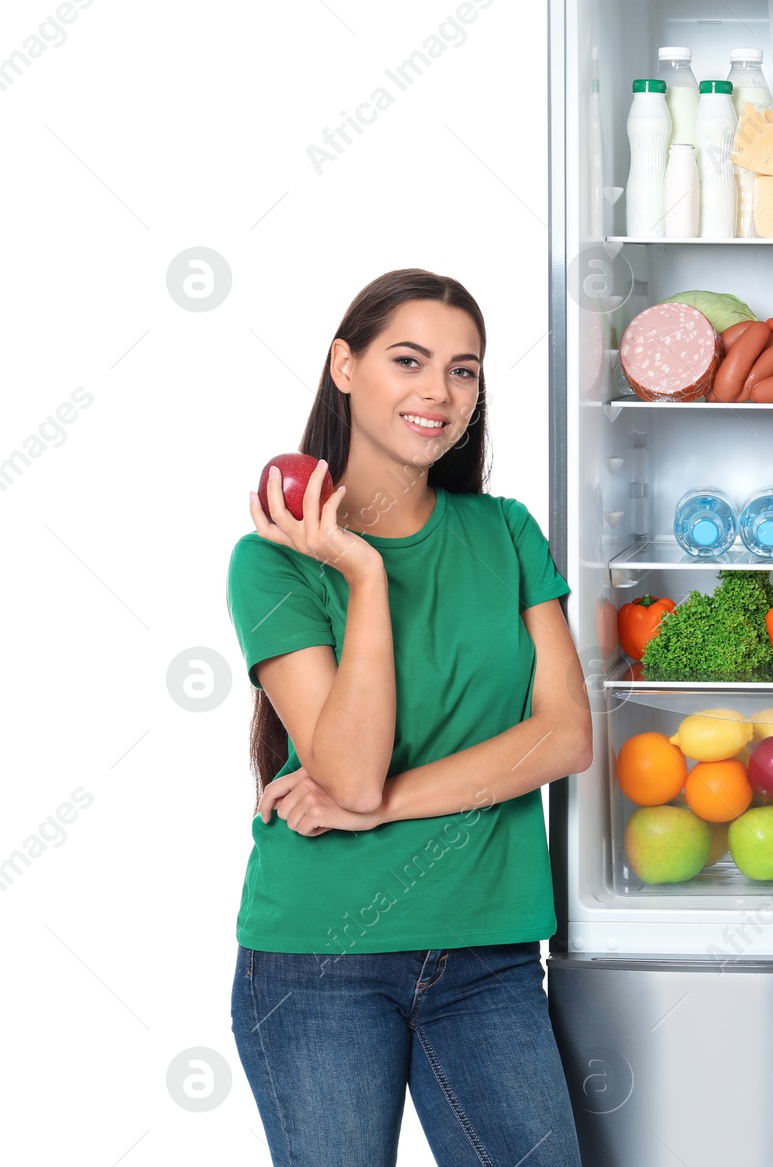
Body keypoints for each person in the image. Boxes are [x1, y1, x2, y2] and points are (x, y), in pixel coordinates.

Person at [225, 268, 588, 1165]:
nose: (439, 391)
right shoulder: (272, 562)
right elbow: (345, 769)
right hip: (322, 962)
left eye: (463, 370)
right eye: (409, 360)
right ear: (343, 366)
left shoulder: (505, 532)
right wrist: (365, 572)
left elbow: (566, 733)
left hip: (490, 949)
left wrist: (384, 804)